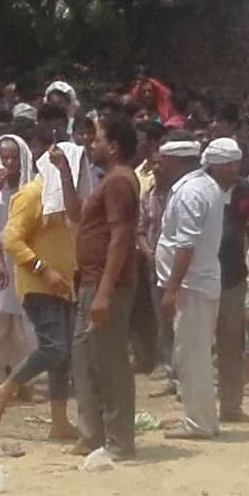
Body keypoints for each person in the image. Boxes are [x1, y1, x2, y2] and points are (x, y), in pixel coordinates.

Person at [0, 135, 80, 442]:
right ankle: (5, 388)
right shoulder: (31, 195)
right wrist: (43, 269)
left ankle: (59, 422)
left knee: (63, 357)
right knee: (53, 347)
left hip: (65, 284)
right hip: (39, 283)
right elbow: (11, 239)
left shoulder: (68, 201)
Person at [155, 138, 242, 441]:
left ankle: (199, 423)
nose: (157, 167)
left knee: (192, 356)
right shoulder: (204, 187)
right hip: (199, 283)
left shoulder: (192, 192)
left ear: (176, 162)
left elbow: (185, 246)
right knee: (195, 353)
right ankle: (204, 417)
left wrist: (171, 288)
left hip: (191, 285)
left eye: (161, 161)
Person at [69, 115, 144, 456]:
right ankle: (92, 435)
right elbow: (77, 214)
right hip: (91, 280)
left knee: (110, 361)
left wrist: (104, 292)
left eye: (98, 139)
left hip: (106, 284)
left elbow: (120, 238)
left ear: (113, 146)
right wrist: (62, 173)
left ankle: (119, 439)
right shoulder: (108, 180)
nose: (92, 144)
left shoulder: (118, 182)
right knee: (85, 358)